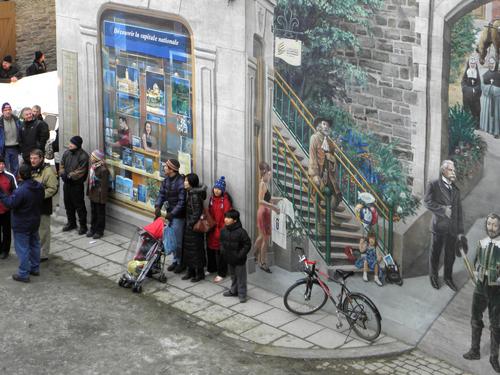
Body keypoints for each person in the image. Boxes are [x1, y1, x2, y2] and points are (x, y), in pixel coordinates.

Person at [463, 213, 500, 373]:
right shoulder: (482, 243)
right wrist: (476, 273)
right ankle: (475, 350)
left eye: (494, 225)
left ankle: (493, 358)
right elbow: (476, 262)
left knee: (496, 325)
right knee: (475, 318)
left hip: (496, 289)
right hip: (480, 286)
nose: (491, 228)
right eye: (489, 224)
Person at [423, 160, 464, 291]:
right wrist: (443, 210)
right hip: (439, 227)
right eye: (451, 170)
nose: (454, 172)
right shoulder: (434, 184)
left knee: (450, 255)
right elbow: (427, 202)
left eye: (454, 170)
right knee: (435, 253)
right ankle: (433, 277)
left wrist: (460, 231)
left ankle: (448, 278)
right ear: (443, 171)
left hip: (452, 229)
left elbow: (459, 212)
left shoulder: (456, 190)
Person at [0, 164, 44, 282]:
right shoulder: (39, 186)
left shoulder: (21, 191)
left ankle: (23, 274)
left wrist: (2, 194)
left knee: (23, 249)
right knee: (34, 244)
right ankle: (35, 268)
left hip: (22, 223)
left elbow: (10, 203)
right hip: (34, 221)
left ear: (20, 175)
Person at [155, 159, 186, 273]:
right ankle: (175, 260)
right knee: (171, 239)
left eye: (166, 167)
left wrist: (172, 214)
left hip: (177, 216)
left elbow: (182, 202)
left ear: (172, 169)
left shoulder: (180, 182)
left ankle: (180, 262)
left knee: (177, 241)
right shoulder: (166, 180)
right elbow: (161, 194)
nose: (164, 168)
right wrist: (158, 206)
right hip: (170, 214)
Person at [308, 117, 344, 213]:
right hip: (318, 171)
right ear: (319, 126)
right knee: (317, 193)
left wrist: (338, 148)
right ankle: (319, 220)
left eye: (327, 125)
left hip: (329, 173)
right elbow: (312, 157)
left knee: (337, 196)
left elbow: (333, 152)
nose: (326, 127)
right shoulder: (314, 138)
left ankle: (329, 213)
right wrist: (314, 174)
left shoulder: (328, 141)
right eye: (324, 124)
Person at [30, 149, 58, 261]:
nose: (32, 160)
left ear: (41, 158)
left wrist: (39, 195)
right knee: (35, 230)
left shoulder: (48, 171)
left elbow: (52, 188)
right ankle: (36, 250)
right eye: (31, 158)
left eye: (35, 158)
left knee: (44, 230)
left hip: (43, 205)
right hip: (33, 205)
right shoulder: (32, 169)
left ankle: (43, 254)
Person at [221, 209, 252, 303]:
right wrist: (223, 251)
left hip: (239, 260)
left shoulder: (241, 232)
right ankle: (233, 291)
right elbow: (221, 242)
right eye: (225, 217)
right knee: (233, 276)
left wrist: (240, 255)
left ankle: (242, 294)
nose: (226, 219)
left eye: (229, 218)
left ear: (235, 220)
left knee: (241, 277)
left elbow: (247, 244)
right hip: (229, 258)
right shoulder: (224, 230)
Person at [60, 136, 89, 235]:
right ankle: (71, 223)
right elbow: (62, 164)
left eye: (72, 144)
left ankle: (83, 226)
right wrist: (63, 173)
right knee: (68, 204)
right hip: (67, 184)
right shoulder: (67, 153)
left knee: (79, 205)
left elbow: (81, 171)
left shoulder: (83, 156)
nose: (69, 145)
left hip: (77, 185)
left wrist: (69, 176)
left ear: (77, 145)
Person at [254, 161, 280, 273]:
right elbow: (260, 201)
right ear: (264, 174)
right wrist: (274, 207)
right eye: (269, 174)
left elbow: (268, 198)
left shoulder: (264, 184)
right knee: (264, 238)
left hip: (265, 212)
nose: (270, 176)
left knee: (262, 237)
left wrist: (280, 199)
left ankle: (258, 259)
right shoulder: (262, 184)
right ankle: (262, 261)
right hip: (263, 212)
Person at [181, 173, 207, 283]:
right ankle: (190, 270)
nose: (184, 182)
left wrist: (190, 224)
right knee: (189, 250)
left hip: (194, 228)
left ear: (191, 183)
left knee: (196, 250)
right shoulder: (190, 193)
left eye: (187, 181)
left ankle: (199, 273)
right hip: (189, 227)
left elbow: (197, 213)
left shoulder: (194, 196)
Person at [207, 176, 232, 283]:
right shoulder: (212, 199)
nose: (216, 190)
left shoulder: (225, 201)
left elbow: (228, 216)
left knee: (221, 252)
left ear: (222, 190)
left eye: (219, 189)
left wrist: (223, 229)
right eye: (215, 188)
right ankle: (211, 268)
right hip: (212, 228)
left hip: (221, 229)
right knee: (210, 249)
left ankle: (221, 273)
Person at [86, 150, 109, 239]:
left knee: (100, 214)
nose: (91, 158)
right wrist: (88, 192)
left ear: (96, 158)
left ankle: (99, 231)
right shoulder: (93, 167)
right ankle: (93, 228)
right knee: (93, 212)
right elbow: (89, 181)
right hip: (93, 194)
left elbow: (104, 186)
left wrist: (103, 199)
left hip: (99, 196)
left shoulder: (103, 170)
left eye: (92, 157)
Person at [0, 156, 17, 259]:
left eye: (2, 163)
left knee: (6, 231)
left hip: (6, 209)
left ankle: (5, 250)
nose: (1, 165)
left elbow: (16, 192)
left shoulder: (10, 176)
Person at [480, 57, 500, 138]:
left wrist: (495, 90)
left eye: (493, 63)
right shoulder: (485, 75)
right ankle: (488, 129)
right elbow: (482, 86)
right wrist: (489, 88)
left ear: (496, 64)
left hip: (497, 99)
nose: (492, 65)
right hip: (488, 99)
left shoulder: (499, 74)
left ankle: (496, 131)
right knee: (488, 115)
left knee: (496, 115)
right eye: (490, 63)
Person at [0, 102, 21, 177]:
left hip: (15, 147)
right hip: (4, 149)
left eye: (9, 109)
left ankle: (14, 185)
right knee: (6, 169)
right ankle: (7, 185)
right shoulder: (0, 122)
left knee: (15, 168)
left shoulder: (17, 120)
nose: (8, 111)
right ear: (2, 111)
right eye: (5, 110)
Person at [461, 55, 481, 129]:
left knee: (476, 109)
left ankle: (476, 125)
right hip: (467, 95)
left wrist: (475, 89)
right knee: (467, 109)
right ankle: (467, 124)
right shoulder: (467, 72)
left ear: (475, 64)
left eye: (474, 63)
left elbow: (479, 85)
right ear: (469, 64)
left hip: (475, 95)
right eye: (471, 63)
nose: (472, 64)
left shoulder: (477, 73)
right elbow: (463, 83)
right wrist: (467, 89)